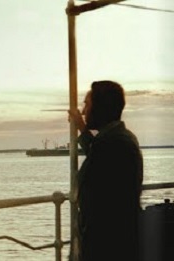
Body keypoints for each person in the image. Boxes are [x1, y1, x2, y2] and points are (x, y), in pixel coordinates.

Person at [68, 80, 143, 261]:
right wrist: (82, 128)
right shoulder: (117, 139)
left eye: (87, 104)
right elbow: (98, 155)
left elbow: (99, 158)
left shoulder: (115, 143)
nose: (84, 111)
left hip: (107, 245)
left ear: (101, 107)